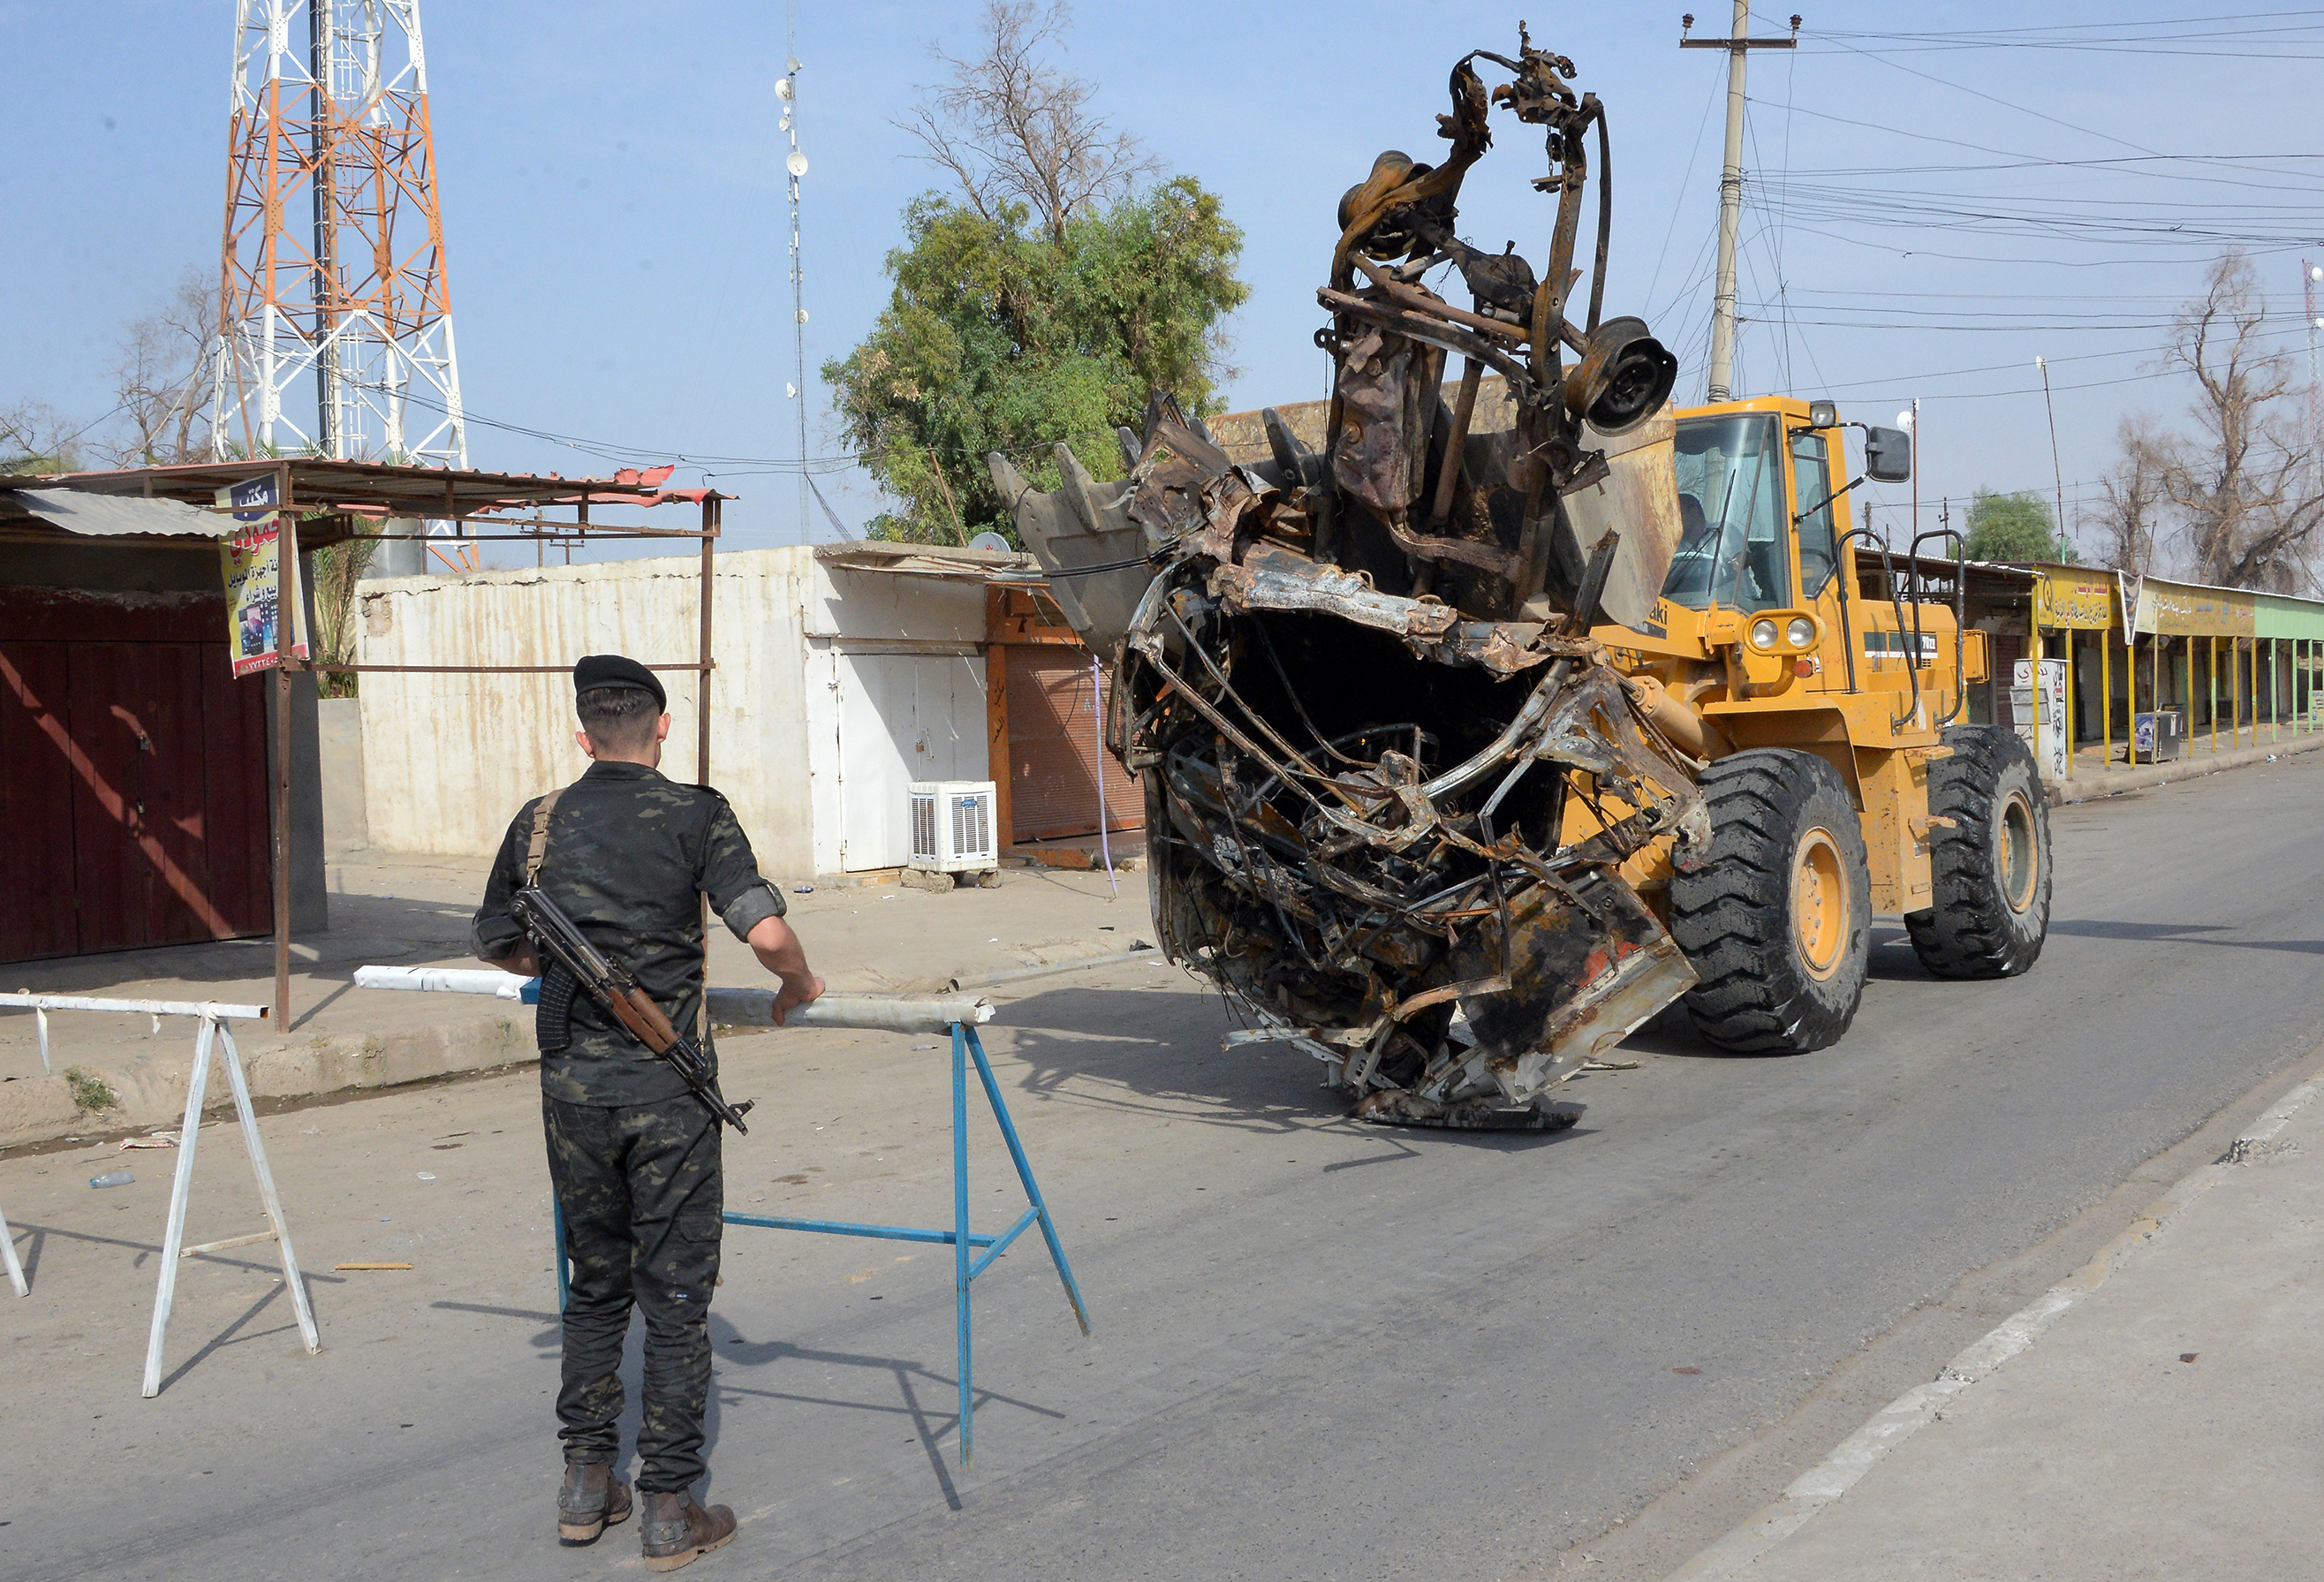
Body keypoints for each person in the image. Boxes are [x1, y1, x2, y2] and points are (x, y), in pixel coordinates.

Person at [472, 654, 822, 1571]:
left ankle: (587, 1487)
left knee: (595, 1285)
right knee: (673, 1299)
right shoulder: (694, 813)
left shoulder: (541, 821)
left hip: (572, 1098)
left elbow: (500, 943)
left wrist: (562, 975)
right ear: (661, 727)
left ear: (584, 736)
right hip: (669, 1097)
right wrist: (800, 984)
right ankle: (671, 1507)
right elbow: (768, 931)